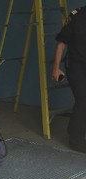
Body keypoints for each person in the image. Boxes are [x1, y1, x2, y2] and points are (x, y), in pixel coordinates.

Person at [52, 6, 86, 153]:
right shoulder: (78, 16)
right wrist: (55, 67)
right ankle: (76, 140)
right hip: (77, 66)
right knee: (83, 100)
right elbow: (62, 42)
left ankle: (73, 129)